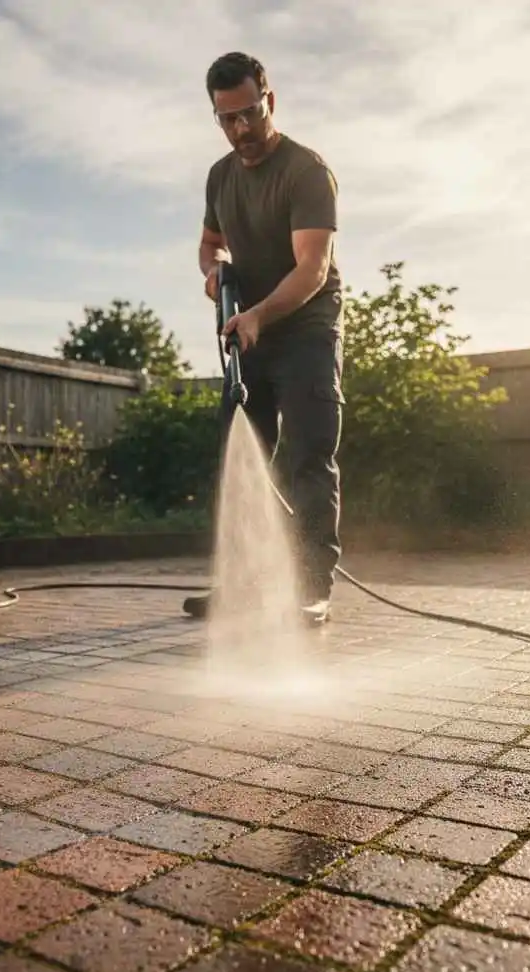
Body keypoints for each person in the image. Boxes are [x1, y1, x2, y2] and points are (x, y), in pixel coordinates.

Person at [183, 51, 344, 628]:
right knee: (241, 454)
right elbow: (210, 242)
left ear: (269, 101)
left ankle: (312, 588)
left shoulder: (305, 170)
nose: (240, 130)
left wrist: (258, 315)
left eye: (249, 114)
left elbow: (312, 269)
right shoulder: (219, 176)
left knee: (308, 458)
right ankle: (242, 583)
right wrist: (213, 270)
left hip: (304, 328)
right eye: (227, 119)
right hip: (247, 333)